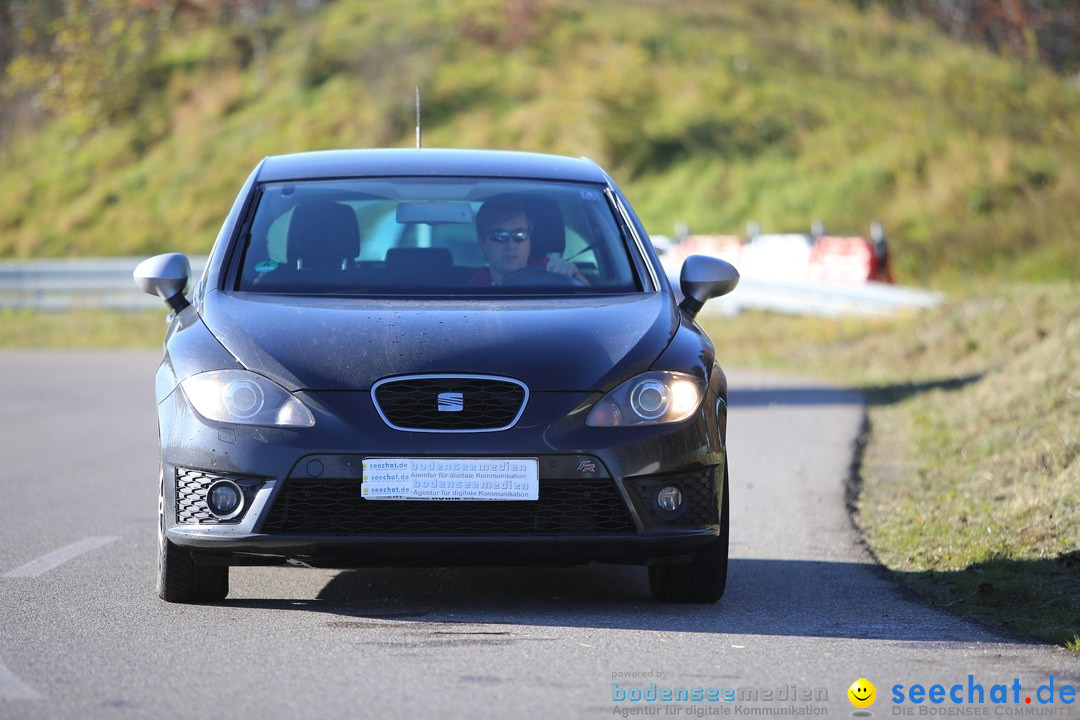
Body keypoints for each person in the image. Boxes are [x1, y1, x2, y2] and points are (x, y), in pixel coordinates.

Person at [467, 196, 585, 285]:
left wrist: (573, 277)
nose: (511, 245)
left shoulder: (552, 271)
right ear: (481, 242)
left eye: (519, 234)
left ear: (530, 239)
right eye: (500, 236)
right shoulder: (474, 288)